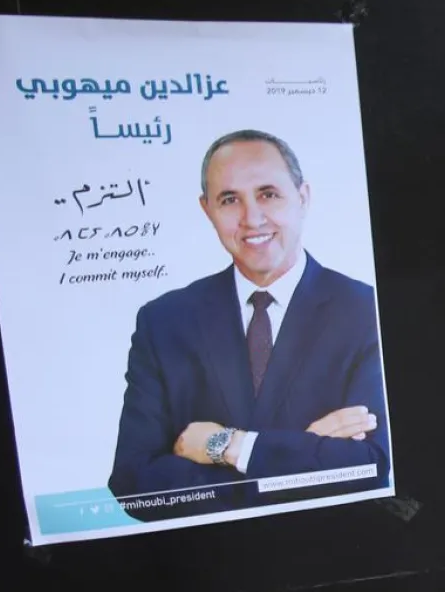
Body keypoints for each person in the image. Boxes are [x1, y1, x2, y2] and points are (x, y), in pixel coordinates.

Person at [108, 129, 390, 517]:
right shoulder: (164, 321)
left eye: (268, 194)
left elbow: (371, 466)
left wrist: (228, 446)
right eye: (229, 200)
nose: (251, 218)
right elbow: (135, 486)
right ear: (207, 210)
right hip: (208, 560)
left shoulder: (364, 310)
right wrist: (302, 456)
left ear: (303, 197)